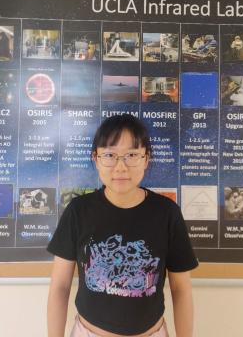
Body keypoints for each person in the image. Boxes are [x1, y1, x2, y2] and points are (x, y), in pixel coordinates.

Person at [47, 114, 198, 337]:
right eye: (110, 155)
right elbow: (60, 286)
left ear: (146, 159)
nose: (121, 167)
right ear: (96, 159)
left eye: (132, 155)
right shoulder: (78, 211)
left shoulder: (167, 213)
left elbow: (181, 289)